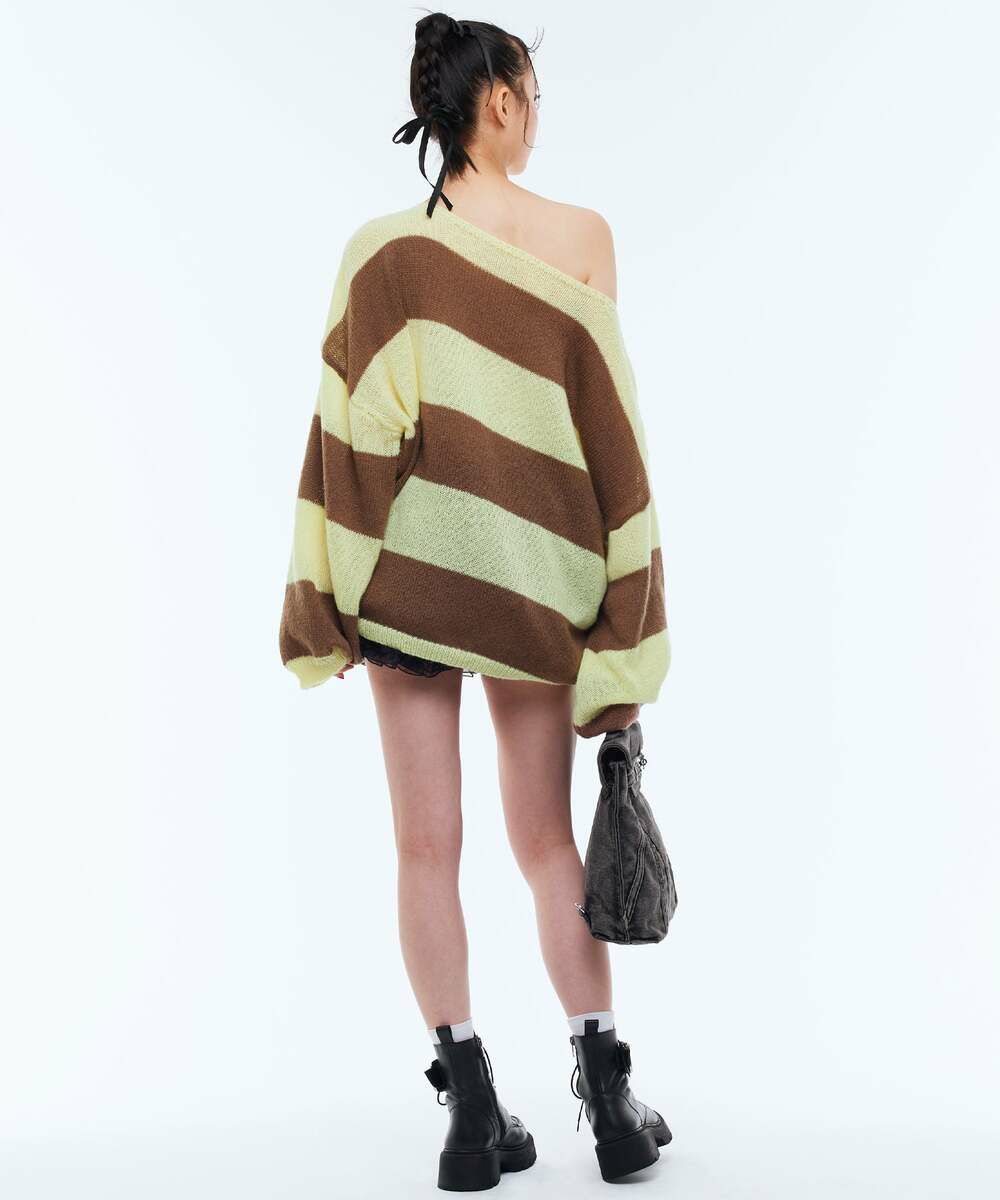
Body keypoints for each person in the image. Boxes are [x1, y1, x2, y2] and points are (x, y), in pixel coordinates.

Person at [278, 11, 671, 1190]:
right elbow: (609, 436)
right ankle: (608, 1097)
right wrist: (624, 606)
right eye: (533, 97)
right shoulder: (583, 239)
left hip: (410, 582)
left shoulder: (382, 255)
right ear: (498, 98)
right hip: (534, 584)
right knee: (545, 843)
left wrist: (329, 599)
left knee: (423, 848)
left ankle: (469, 1110)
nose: (537, 119)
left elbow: (351, 438)